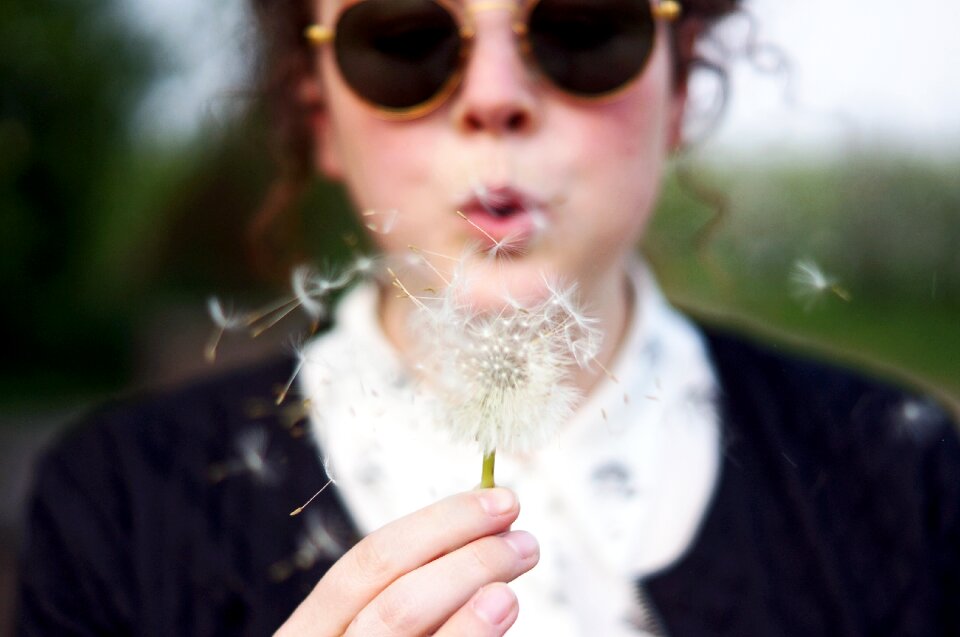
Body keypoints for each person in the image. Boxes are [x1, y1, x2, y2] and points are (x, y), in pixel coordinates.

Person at [16, 0, 960, 635]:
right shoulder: (113, 506)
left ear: (679, 85)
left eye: (585, 29)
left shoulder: (904, 472)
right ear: (315, 112)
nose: (495, 100)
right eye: (403, 40)